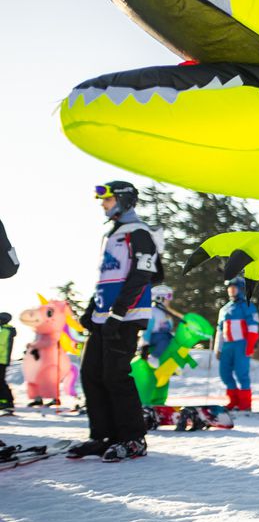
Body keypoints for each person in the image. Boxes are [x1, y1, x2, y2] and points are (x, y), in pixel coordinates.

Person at [68, 181, 158, 462]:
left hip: (125, 318)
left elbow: (142, 276)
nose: (102, 205)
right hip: (103, 317)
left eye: (107, 200)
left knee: (116, 376)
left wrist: (118, 314)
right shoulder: (112, 235)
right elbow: (107, 279)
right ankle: (102, 435)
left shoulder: (140, 233)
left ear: (123, 200)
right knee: (91, 375)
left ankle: (133, 439)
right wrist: (91, 309)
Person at [216, 277, 259, 411]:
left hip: (242, 345)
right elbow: (220, 330)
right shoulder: (224, 309)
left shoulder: (248, 306)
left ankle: (245, 404)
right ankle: (233, 400)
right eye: (230, 288)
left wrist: (250, 345)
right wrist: (218, 348)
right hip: (227, 346)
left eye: (234, 288)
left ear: (241, 289)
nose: (231, 290)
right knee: (225, 374)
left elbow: (253, 327)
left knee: (242, 374)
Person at [140, 284, 178, 362]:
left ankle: (170, 361)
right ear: (159, 298)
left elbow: (169, 328)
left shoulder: (166, 312)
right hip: (153, 337)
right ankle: (153, 357)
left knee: (174, 341)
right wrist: (145, 344)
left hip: (164, 335)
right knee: (164, 340)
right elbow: (147, 329)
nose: (170, 301)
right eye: (168, 298)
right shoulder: (153, 312)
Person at [0, 312, 15, 411]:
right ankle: (4, 400)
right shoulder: (6, 330)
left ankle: (7, 401)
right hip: (2, 359)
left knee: (1, 381)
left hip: (1, 359)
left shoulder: (5, 330)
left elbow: (1, 345)